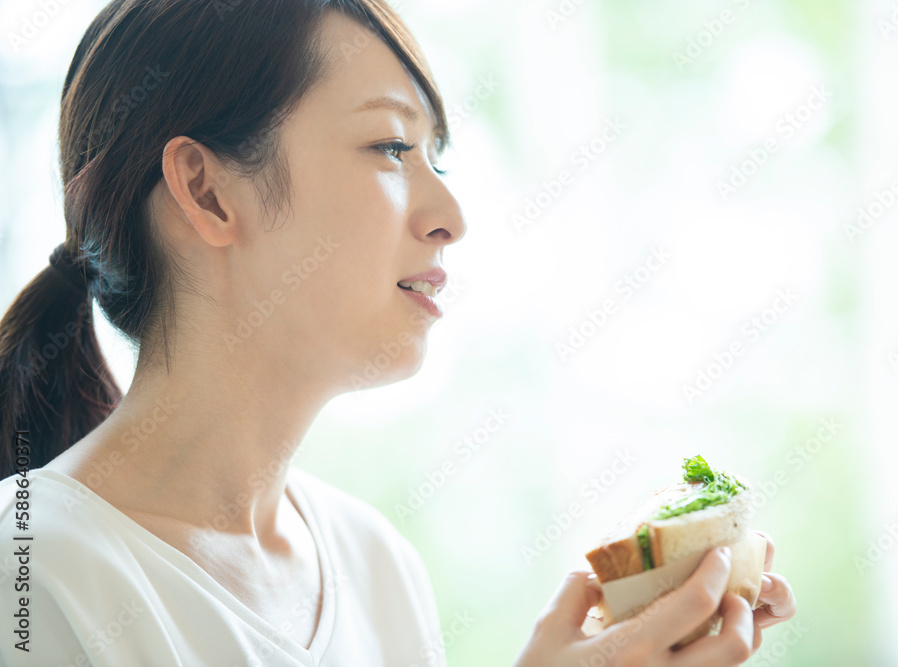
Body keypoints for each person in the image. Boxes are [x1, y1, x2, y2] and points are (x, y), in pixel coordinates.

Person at [0, 0, 796, 665]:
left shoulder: (376, 565)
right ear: (206, 192)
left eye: (435, 158)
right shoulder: (30, 571)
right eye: (390, 147)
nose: (451, 216)